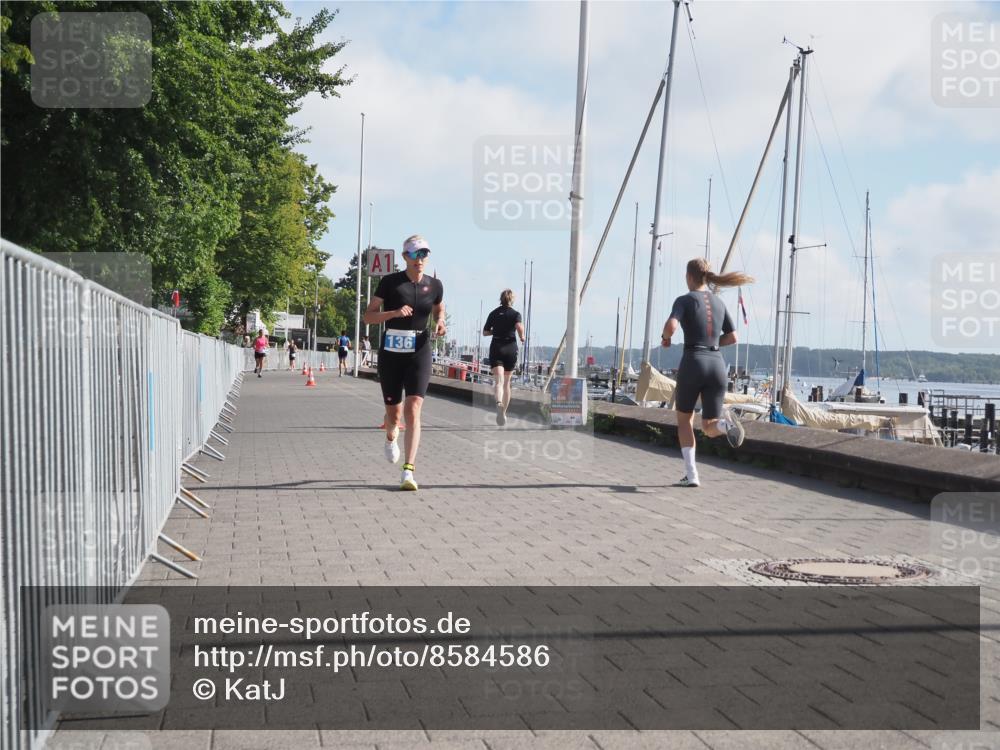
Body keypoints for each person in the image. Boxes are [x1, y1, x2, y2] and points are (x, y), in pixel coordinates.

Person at [661, 258, 753, 487]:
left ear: (689, 277)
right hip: (717, 365)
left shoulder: (684, 300)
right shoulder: (719, 303)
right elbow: (733, 337)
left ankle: (692, 475)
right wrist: (711, 343)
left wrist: (666, 339)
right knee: (710, 426)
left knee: (685, 421)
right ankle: (725, 425)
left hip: (693, 362)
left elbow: (671, 326)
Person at [363, 234, 445, 491]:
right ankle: (390, 435)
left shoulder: (435, 285)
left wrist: (440, 321)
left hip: (419, 350)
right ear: (405, 257)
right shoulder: (390, 283)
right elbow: (368, 316)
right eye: (415, 255)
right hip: (391, 352)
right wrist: (394, 313)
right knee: (394, 414)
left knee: (414, 408)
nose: (420, 260)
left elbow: (438, 308)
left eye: (424, 254)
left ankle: (408, 471)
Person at [483, 289, 525, 426]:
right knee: (507, 383)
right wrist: (522, 336)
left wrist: (496, 330)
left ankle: (499, 403)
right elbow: (519, 326)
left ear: (501, 299)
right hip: (510, 348)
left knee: (499, 382)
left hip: (497, 347)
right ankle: (504, 413)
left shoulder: (493, 313)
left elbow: (485, 332)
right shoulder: (516, 314)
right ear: (512, 300)